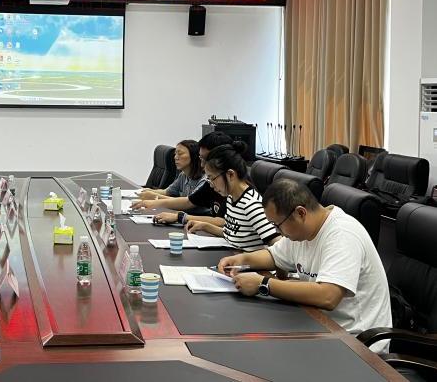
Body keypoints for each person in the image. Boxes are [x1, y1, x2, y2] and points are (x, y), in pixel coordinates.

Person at [217, 179, 391, 353]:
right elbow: (273, 256)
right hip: (318, 324)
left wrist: (263, 284)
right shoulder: (303, 231)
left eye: (278, 225)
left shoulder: (342, 234)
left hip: (356, 344)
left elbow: (328, 296)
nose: (277, 231)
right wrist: (241, 259)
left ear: (300, 213)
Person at [186, 142, 280, 251]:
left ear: (230, 174)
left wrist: (250, 258)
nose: (211, 185)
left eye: (212, 178)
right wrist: (205, 226)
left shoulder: (252, 205)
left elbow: (279, 247)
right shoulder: (231, 198)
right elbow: (231, 235)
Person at [139, 132, 233, 225]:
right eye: (201, 158)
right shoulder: (210, 183)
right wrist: (154, 203)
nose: (202, 164)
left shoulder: (228, 189)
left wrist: (180, 217)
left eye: (205, 159)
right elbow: (188, 201)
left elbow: (222, 222)